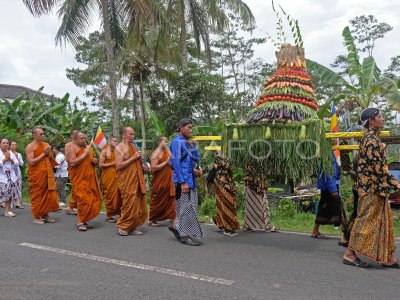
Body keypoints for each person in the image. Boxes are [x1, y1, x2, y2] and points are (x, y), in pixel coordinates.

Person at [343, 108, 400, 268]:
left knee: (383, 222)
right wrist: (396, 184)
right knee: (365, 222)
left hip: (377, 188)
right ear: (371, 121)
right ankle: (349, 254)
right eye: (379, 116)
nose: (382, 119)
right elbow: (379, 168)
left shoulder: (373, 139)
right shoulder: (370, 140)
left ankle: (387, 257)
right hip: (370, 189)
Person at [170, 118, 203, 246]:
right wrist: (183, 182)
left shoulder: (187, 142)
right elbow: (176, 164)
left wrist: (192, 146)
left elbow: (196, 158)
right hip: (183, 181)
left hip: (191, 180)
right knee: (185, 208)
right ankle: (184, 235)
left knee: (190, 207)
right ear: (181, 127)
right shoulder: (176, 142)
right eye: (188, 127)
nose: (191, 130)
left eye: (191, 127)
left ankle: (176, 226)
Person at [65, 131, 102, 231]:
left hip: (89, 178)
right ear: (75, 139)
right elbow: (72, 162)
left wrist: (94, 161)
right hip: (79, 179)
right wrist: (84, 154)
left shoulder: (87, 148)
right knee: (83, 199)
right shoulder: (71, 147)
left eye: (85, 138)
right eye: (81, 138)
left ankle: (85, 220)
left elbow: (92, 160)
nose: (84, 140)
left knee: (91, 199)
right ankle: (80, 222)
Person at [115, 127, 147, 236]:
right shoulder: (119, 147)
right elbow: (119, 165)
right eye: (131, 134)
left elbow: (137, 162)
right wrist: (133, 157)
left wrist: (141, 162)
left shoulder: (133, 146)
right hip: (126, 181)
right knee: (128, 203)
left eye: (134, 134)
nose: (133, 136)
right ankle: (123, 226)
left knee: (137, 204)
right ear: (124, 134)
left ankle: (132, 226)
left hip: (136, 179)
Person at [310, 153, 348, 244]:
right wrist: (333, 189)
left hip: (328, 187)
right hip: (330, 188)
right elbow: (329, 173)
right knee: (339, 210)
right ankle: (346, 236)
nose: (336, 139)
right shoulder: (327, 154)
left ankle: (315, 231)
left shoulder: (329, 152)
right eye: (335, 138)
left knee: (323, 209)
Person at [25, 128, 59, 224]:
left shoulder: (46, 145)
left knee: (48, 195)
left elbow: (51, 159)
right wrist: (44, 154)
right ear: (34, 135)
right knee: (37, 195)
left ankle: (45, 214)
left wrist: (48, 154)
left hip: (47, 175)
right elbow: (31, 162)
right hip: (37, 176)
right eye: (40, 133)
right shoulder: (30, 146)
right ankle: (36, 216)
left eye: (43, 133)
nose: (43, 135)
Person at [207, 152, 240, 236]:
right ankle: (226, 227)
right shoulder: (219, 154)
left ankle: (220, 222)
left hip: (229, 183)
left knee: (230, 203)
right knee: (225, 203)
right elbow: (227, 165)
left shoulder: (228, 153)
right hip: (221, 182)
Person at [148, 136, 176, 227]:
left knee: (171, 199)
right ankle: (152, 219)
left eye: (167, 141)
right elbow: (153, 168)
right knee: (157, 199)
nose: (167, 143)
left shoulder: (168, 152)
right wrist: (165, 163)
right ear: (159, 142)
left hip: (169, 180)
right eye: (165, 141)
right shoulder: (156, 153)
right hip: (159, 181)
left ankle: (172, 218)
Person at [243, 164, 278, 232]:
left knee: (264, 206)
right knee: (251, 207)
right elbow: (249, 174)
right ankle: (248, 225)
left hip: (260, 187)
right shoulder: (251, 162)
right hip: (252, 187)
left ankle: (267, 225)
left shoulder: (261, 163)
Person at [99, 135, 121, 222]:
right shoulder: (104, 152)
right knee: (109, 194)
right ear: (109, 142)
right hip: (108, 176)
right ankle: (109, 215)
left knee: (119, 195)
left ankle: (120, 213)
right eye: (114, 141)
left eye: (116, 141)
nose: (116, 143)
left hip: (118, 175)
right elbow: (101, 165)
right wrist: (113, 163)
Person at [0, 138, 18, 217]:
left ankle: (8, 211)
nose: (5, 144)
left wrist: (10, 159)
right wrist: (5, 159)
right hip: (1, 176)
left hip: (10, 176)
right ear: (0, 144)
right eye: (3, 143)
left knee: (10, 193)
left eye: (7, 143)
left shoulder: (11, 153)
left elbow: (16, 164)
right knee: (3, 193)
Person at [64, 130, 78, 215]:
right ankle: (70, 206)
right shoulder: (68, 145)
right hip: (73, 167)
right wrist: (74, 162)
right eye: (75, 134)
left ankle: (74, 205)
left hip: (81, 168)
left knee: (80, 187)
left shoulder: (80, 144)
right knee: (76, 187)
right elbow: (66, 158)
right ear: (71, 136)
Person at [10, 141, 24, 209]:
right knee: (10, 188)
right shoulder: (7, 153)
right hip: (10, 172)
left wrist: (17, 159)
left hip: (17, 172)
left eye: (15, 145)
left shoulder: (18, 154)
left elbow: (22, 164)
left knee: (18, 187)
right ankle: (8, 202)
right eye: (12, 145)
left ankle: (18, 202)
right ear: (10, 146)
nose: (14, 146)